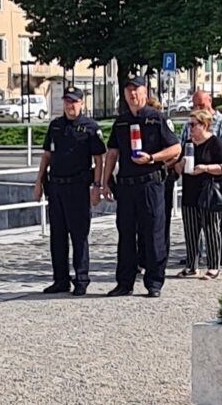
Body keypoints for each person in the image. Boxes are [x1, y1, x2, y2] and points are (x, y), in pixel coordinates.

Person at [102, 76, 181, 296]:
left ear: (144, 93)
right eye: (128, 92)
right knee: (125, 234)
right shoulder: (122, 121)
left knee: (153, 233)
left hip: (150, 183)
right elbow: (112, 154)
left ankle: (154, 282)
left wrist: (152, 158)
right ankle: (125, 282)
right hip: (126, 186)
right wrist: (105, 182)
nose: (132, 95)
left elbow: (175, 149)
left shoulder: (156, 118)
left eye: (136, 91)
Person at [33, 86, 105, 294]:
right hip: (56, 187)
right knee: (58, 236)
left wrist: (97, 186)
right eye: (66, 101)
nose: (69, 105)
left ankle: (81, 279)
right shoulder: (56, 126)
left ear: (82, 104)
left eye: (73, 102)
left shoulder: (90, 127)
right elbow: (47, 155)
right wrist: (38, 182)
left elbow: (98, 159)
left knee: (79, 235)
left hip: (78, 187)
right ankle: (60, 279)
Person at [179, 108, 222, 279]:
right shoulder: (188, 144)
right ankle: (192, 265)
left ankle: (213, 265)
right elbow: (178, 167)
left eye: (193, 124)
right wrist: (181, 164)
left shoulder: (215, 143)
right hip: (190, 191)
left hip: (209, 192)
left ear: (205, 125)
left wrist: (206, 168)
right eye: (189, 124)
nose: (190, 128)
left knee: (211, 229)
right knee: (191, 230)